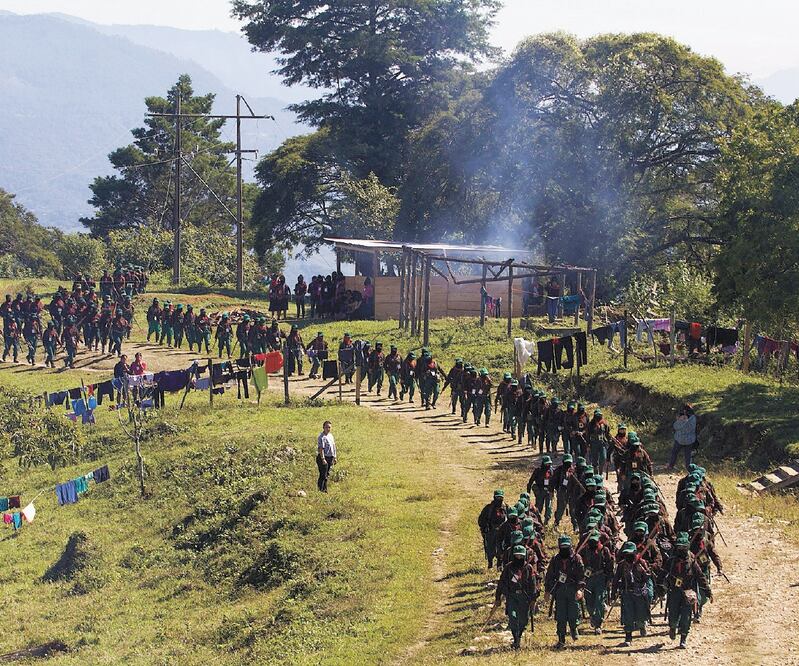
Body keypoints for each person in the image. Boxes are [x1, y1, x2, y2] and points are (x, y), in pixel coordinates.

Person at [667, 532, 711, 648]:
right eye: (679, 547)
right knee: (673, 614)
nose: (681, 550)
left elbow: (700, 576)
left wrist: (707, 591)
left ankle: (683, 638)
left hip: (688, 592)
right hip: (674, 591)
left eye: (683, 547)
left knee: (686, 616)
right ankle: (672, 627)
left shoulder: (692, 561)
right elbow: (663, 574)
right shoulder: (672, 560)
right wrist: (661, 586)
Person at [493, 544, 537, 650]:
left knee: (523, 620)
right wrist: (498, 597)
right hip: (512, 596)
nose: (519, 558)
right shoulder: (508, 567)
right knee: (513, 618)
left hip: (524, 598)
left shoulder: (528, 568)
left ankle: (520, 634)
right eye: (517, 556)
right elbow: (502, 582)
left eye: (521, 556)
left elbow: (533, 584)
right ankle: (516, 639)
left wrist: (533, 599)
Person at [544, 535, 585, 648]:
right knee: (560, 616)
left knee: (574, 612)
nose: (565, 549)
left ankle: (573, 628)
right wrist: (547, 591)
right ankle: (561, 639)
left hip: (573, 589)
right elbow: (549, 576)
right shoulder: (555, 560)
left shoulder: (576, 559)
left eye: (566, 547)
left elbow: (581, 576)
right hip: (560, 590)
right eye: (562, 547)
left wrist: (580, 589)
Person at [477, 489, 508, 569]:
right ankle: (490, 564)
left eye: (500, 498)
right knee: (490, 549)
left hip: (503, 532)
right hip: (491, 531)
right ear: (494, 497)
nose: (499, 500)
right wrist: (484, 529)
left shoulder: (506, 507)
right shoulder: (488, 508)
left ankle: (499, 565)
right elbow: (481, 520)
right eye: (497, 498)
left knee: (501, 549)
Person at [670, 404, 697, 471]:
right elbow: (692, 428)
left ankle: (671, 466)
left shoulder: (682, 418)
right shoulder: (693, 418)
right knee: (688, 456)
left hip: (679, 439)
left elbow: (675, 426)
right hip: (690, 440)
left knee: (674, 452)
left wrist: (679, 420)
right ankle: (689, 469)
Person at [316, 420, 337, 492]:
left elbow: (333, 446)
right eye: (326, 427)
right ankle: (320, 489)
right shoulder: (322, 437)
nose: (328, 429)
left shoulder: (331, 436)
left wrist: (334, 457)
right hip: (324, 457)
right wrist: (323, 459)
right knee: (323, 475)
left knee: (327, 474)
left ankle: (324, 490)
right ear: (323, 427)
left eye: (329, 427)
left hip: (330, 457)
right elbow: (321, 449)